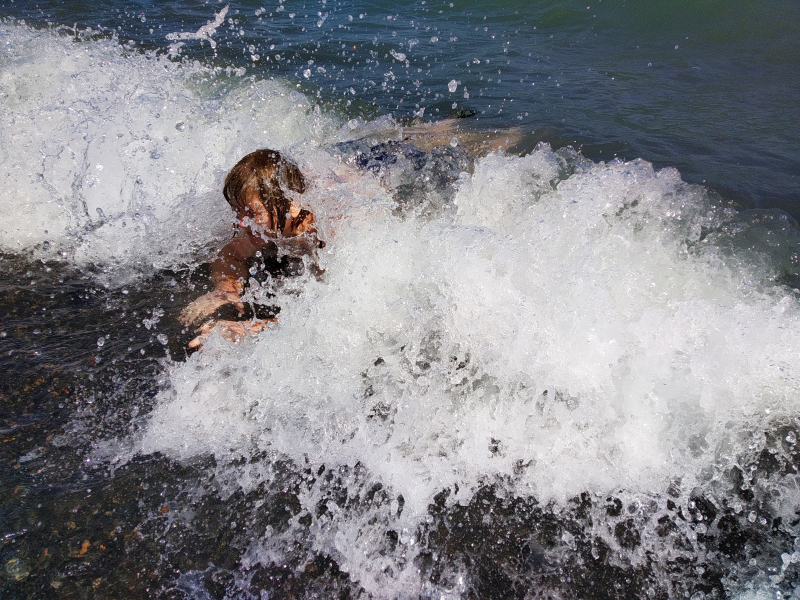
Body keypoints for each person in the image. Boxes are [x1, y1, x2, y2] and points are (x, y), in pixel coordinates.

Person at [180, 149, 319, 348]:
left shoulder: (320, 231)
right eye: (237, 209)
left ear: (292, 205)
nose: (241, 222)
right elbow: (231, 255)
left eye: (252, 212)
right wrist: (226, 292)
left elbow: (330, 301)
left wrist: (263, 324)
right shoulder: (266, 224)